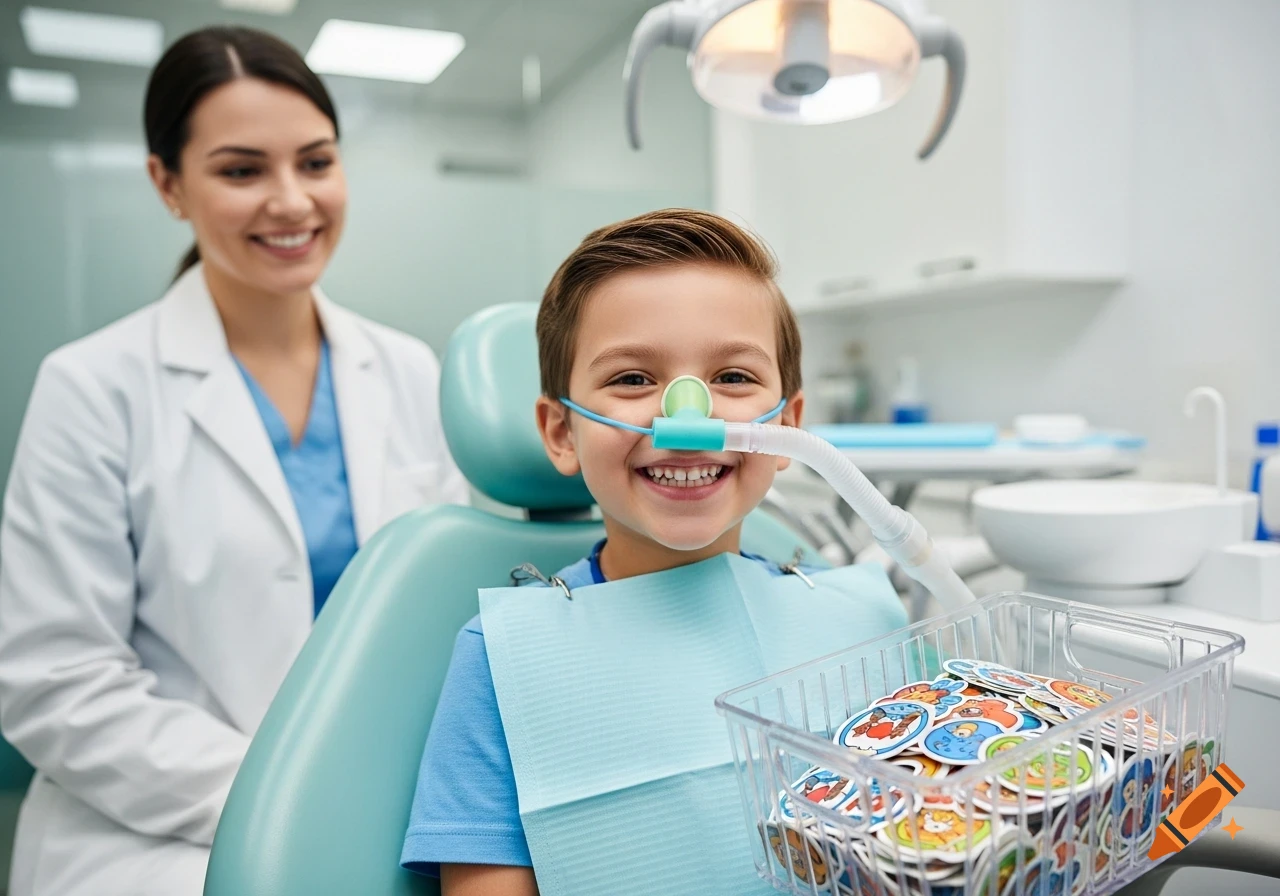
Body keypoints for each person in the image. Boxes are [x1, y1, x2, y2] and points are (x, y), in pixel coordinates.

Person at [0, 26, 467, 896]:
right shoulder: (91, 387)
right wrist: (291, 791)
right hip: (158, 836)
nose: (292, 202)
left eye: (317, 162)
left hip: (388, 810)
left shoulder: (406, 369)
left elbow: (439, 617)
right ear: (167, 185)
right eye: (242, 170)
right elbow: (54, 681)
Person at [400, 210, 906, 895]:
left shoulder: (857, 622)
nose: (688, 421)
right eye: (634, 379)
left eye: (731, 377)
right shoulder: (505, 658)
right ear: (562, 431)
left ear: (787, 426)